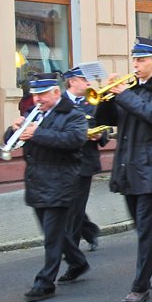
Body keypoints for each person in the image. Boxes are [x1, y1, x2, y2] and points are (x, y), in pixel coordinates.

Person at [95, 37, 152, 302]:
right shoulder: (131, 90)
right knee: (144, 225)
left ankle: (140, 287)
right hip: (128, 165)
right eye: (134, 60)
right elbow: (105, 120)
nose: (135, 64)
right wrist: (107, 97)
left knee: (144, 229)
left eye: (141, 60)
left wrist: (123, 95)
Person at [8, 73, 88, 302]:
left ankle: (45, 283)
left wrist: (37, 133)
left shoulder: (73, 114)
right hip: (36, 181)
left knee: (52, 237)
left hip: (61, 181)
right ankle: (78, 261)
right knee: (53, 232)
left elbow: (74, 140)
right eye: (35, 95)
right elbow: (15, 142)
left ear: (56, 92)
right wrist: (13, 130)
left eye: (42, 94)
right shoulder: (32, 114)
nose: (37, 99)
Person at [63, 67, 108, 252]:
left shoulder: (92, 101)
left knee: (75, 206)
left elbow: (104, 127)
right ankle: (89, 231)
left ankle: (72, 250)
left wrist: (100, 136)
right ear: (72, 81)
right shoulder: (58, 101)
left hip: (85, 162)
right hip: (62, 162)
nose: (89, 83)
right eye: (84, 79)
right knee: (67, 205)